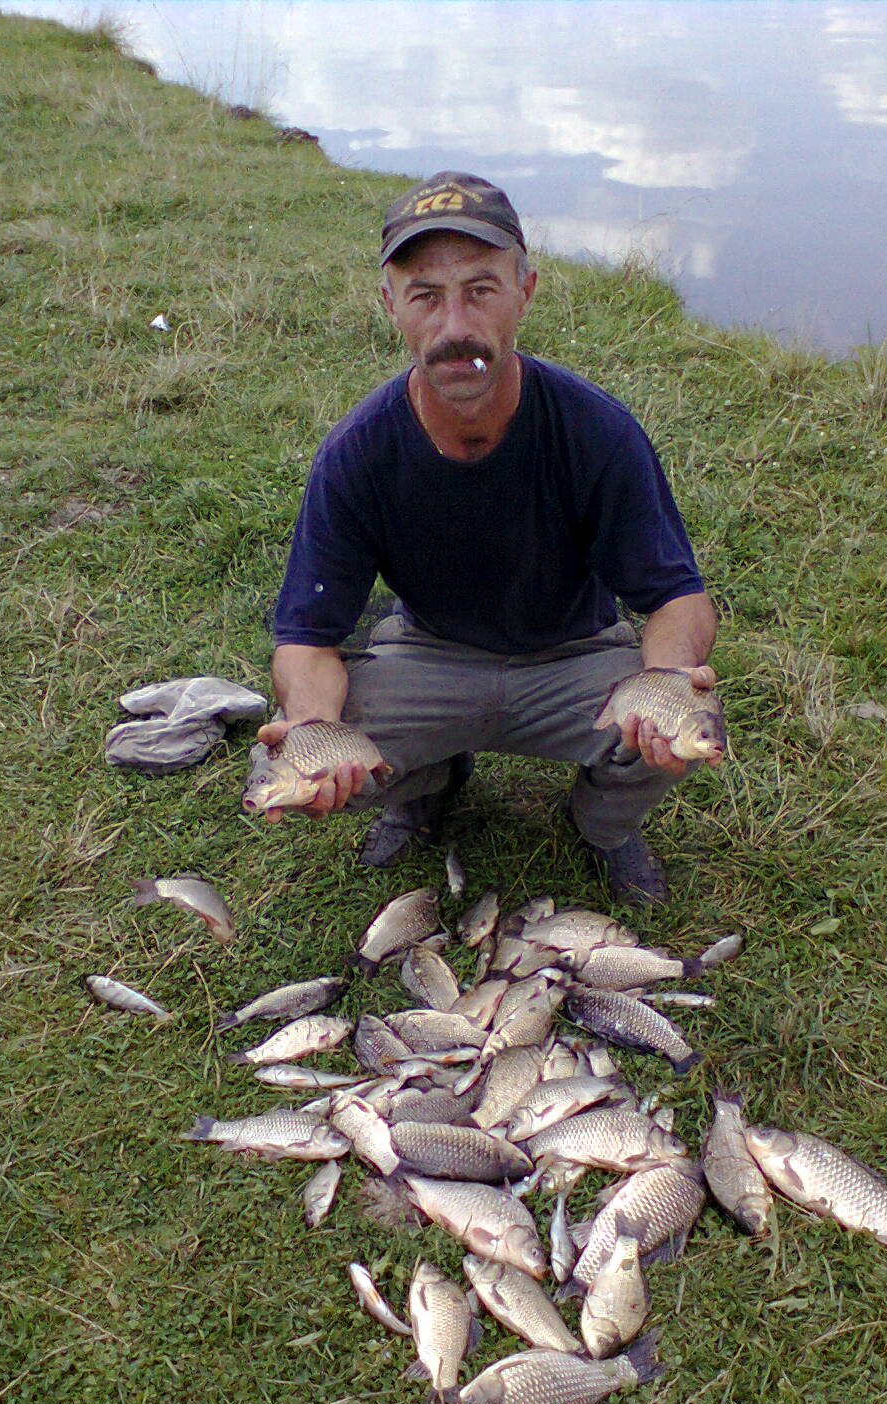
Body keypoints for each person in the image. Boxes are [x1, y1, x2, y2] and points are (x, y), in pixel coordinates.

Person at [256, 171, 721, 905]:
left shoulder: (597, 429)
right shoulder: (357, 453)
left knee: (683, 720)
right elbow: (307, 639)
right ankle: (429, 783)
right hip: (431, 652)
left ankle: (602, 826)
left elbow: (677, 598)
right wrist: (312, 726)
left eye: (480, 290)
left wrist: (668, 679)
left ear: (524, 292)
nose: (455, 327)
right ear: (390, 305)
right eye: (426, 296)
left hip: (574, 651)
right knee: (312, 756)